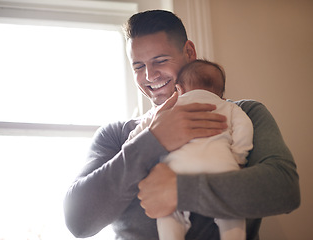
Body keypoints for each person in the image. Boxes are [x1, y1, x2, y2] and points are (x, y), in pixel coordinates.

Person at [63, 10, 300, 240]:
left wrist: (180, 191)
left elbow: (285, 189)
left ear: (189, 52)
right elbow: (78, 222)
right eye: (138, 66)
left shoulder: (244, 114)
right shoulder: (116, 135)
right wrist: (153, 140)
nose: (149, 75)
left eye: (161, 60)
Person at [127, 59, 254, 240]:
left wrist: (133, 145)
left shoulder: (168, 107)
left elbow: (137, 137)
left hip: (175, 171)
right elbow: (244, 128)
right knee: (232, 213)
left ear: (179, 89)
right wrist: (238, 157)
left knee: (169, 213)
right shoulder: (230, 107)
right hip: (223, 168)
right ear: (221, 93)